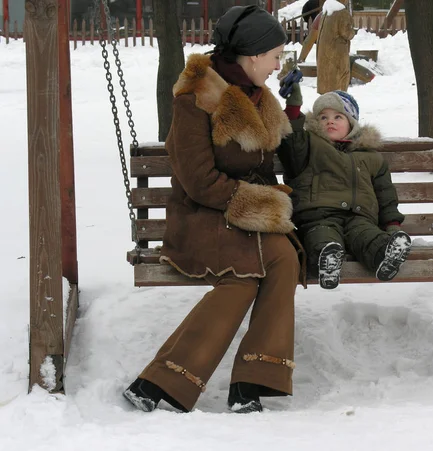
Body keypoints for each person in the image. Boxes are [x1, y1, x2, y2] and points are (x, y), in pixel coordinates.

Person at [123, 5, 306, 415]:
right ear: (254, 55)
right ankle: (159, 382)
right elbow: (198, 180)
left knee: (284, 259)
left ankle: (254, 379)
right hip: (202, 217)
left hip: (244, 218)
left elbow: (284, 159)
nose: (279, 65)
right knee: (243, 278)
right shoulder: (198, 97)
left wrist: (295, 108)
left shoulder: (260, 97)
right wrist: (262, 205)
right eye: (276, 56)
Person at [277, 83, 411, 290]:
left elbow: (385, 195)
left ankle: (386, 255)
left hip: (360, 216)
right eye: (323, 117)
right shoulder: (308, 147)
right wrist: (293, 106)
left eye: (338, 117)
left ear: (352, 123)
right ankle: (327, 261)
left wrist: (392, 225)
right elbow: (291, 139)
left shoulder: (371, 157)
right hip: (319, 216)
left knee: (367, 236)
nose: (330, 121)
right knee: (323, 236)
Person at [315, 0, 355, 93]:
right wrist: (352, 31)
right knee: (339, 80)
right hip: (337, 55)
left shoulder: (325, 13)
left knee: (326, 81)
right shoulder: (342, 13)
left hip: (324, 53)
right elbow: (347, 33)